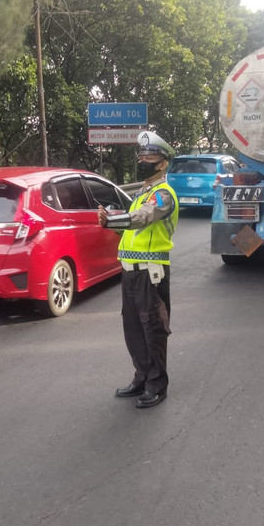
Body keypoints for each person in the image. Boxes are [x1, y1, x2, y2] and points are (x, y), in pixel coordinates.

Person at [98, 130, 179, 408]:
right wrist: (111, 222)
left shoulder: (163, 195)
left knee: (153, 328)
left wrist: (112, 220)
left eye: (149, 158)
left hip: (151, 272)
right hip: (131, 271)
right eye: (141, 157)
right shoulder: (141, 195)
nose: (143, 161)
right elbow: (131, 227)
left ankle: (157, 385)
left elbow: (143, 218)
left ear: (163, 164)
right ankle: (142, 377)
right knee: (133, 328)